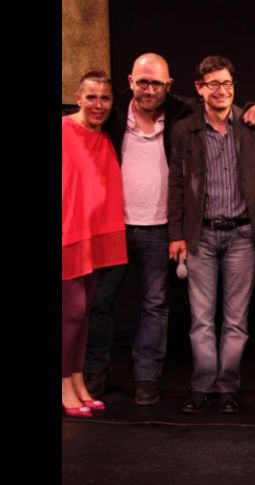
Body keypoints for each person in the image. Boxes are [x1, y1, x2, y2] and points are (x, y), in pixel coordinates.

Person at [83, 53, 255, 406]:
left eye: (157, 83)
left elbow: (223, 103)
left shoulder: (182, 115)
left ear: (169, 86)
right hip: (115, 225)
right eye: (142, 82)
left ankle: (150, 379)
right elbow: (85, 115)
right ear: (130, 82)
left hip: (164, 228)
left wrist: (254, 106)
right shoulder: (116, 114)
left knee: (157, 305)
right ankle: (95, 370)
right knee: (101, 302)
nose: (149, 89)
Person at [168, 55, 255, 414]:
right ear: (199, 89)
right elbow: (178, 184)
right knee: (200, 319)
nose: (221, 90)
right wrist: (176, 233)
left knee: (236, 320)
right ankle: (203, 387)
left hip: (242, 235)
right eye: (213, 84)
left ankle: (228, 387)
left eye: (227, 84)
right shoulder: (185, 131)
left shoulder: (251, 125)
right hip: (201, 237)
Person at [62, 69, 128, 417]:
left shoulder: (105, 137)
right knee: (70, 312)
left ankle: (77, 380)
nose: (98, 104)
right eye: (91, 97)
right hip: (67, 237)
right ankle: (62, 384)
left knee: (84, 313)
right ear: (78, 97)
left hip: (93, 237)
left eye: (104, 97)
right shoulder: (63, 130)